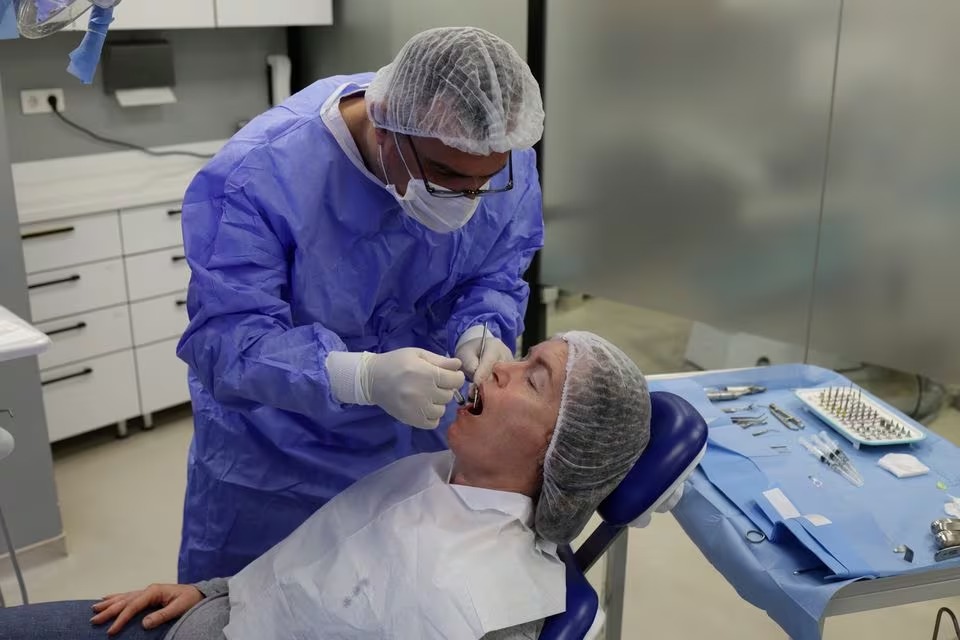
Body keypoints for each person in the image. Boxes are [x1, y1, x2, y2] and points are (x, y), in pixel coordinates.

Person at [174, 27, 546, 583]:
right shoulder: (259, 177)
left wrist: (482, 327)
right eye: (446, 176)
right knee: (251, 599)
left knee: (388, 590)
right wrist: (360, 377)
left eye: (484, 182)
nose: (468, 200)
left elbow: (496, 267)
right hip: (279, 450)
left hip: (418, 427)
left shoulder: (497, 152)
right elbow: (227, 343)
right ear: (385, 126)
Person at [0, 332, 650, 640]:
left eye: (532, 377)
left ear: (560, 449)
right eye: (523, 354)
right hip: (203, 620)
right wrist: (212, 591)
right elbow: (314, 566)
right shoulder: (432, 476)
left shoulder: (497, 605)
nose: (500, 368)